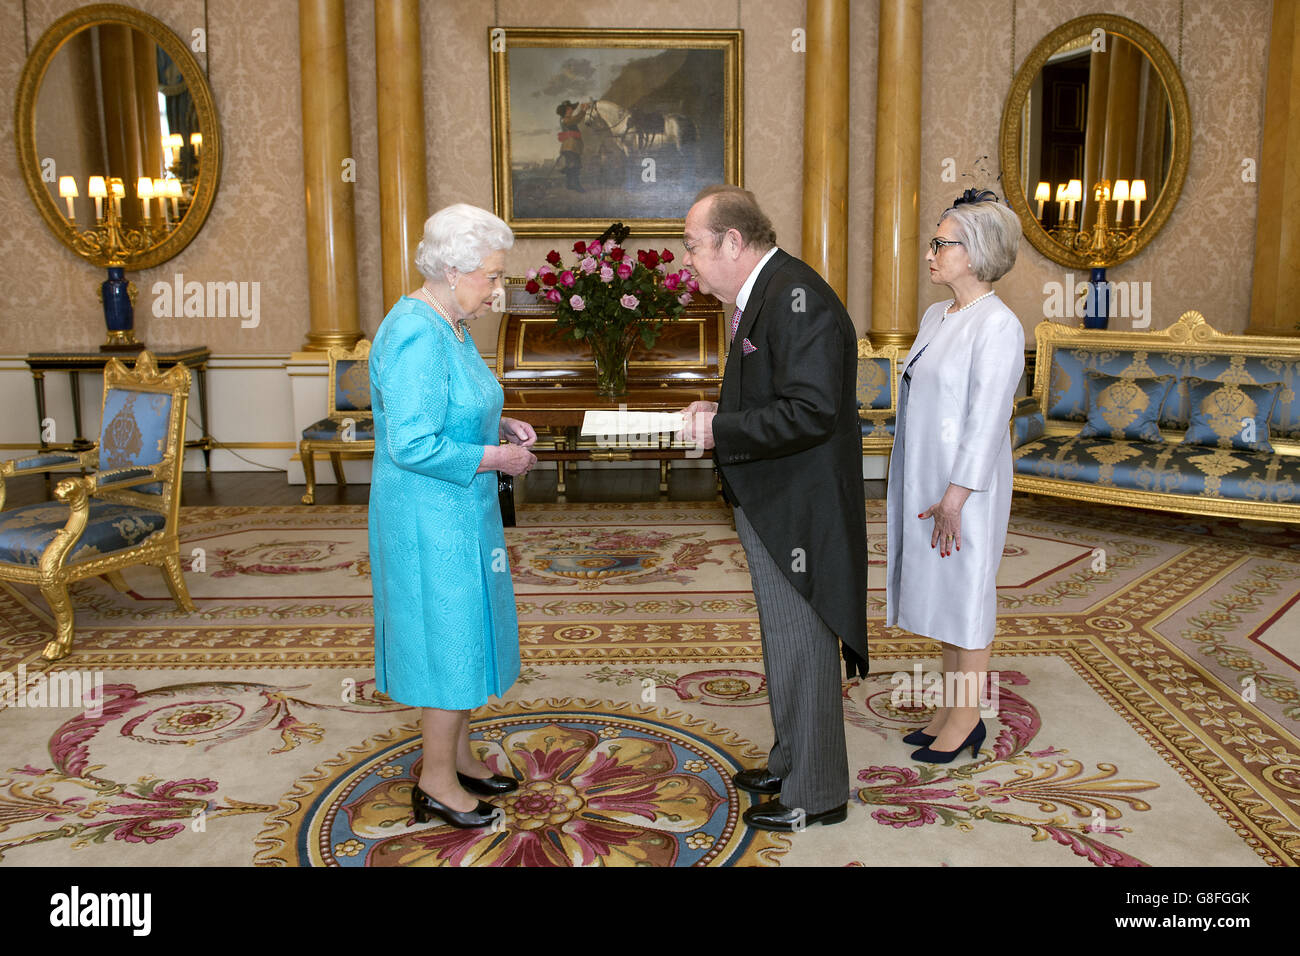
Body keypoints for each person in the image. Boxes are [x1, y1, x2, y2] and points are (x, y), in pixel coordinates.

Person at [678, 185, 867, 832]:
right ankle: (792, 762)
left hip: (799, 507)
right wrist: (719, 412)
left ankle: (817, 795)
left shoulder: (797, 297)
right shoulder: (766, 292)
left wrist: (721, 433)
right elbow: (772, 395)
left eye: (694, 248)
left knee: (802, 643)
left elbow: (811, 411)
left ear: (733, 242)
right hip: (775, 497)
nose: (689, 263)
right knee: (785, 643)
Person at [368, 203, 538, 828]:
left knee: (468, 630)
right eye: (491, 277)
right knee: (447, 639)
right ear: (449, 269)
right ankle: (436, 781)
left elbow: (451, 407)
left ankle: (460, 755)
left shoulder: (452, 322)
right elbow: (411, 442)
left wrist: (498, 423)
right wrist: (494, 454)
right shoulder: (416, 331)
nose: (498, 290)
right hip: (426, 516)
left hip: (459, 505)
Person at [885, 190, 1024, 764]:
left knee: (967, 593)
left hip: (967, 489)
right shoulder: (937, 315)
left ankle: (967, 718)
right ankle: (949, 706)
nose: (931, 254)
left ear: (975, 251)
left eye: (942, 243)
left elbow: (988, 419)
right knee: (943, 591)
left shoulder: (1000, 326)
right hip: (927, 478)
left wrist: (956, 496)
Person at [556, 101, 586, 192]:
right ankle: (577, 185)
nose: (572, 110)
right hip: (571, 146)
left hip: (569, 146)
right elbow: (576, 119)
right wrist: (583, 111)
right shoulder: (566, 119)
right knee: (576, 165)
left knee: (570, 164)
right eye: (569, 109)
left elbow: (575, 119)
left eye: (571, 109)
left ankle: (569, 184)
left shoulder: (565, 119)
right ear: (565, 110)